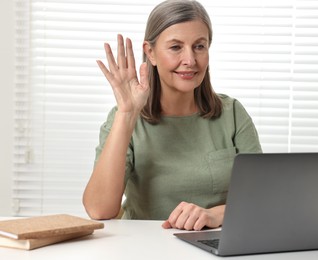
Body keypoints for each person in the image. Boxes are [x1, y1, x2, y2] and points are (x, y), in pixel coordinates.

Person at [82, 0, 262, 231]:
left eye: (199, 46)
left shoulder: (232, 114)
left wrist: (214, 214)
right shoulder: (125, 118)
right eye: (176, 47)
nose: (190, 60)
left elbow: (259, 199)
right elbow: (99, 209)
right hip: (144, 247)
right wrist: (127, 114)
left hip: (216, 246)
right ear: (151, 53)